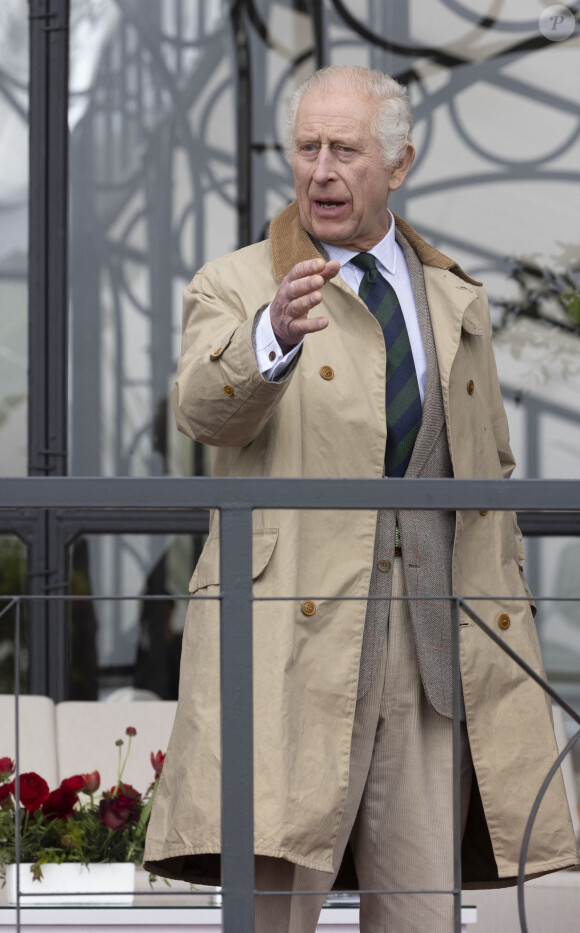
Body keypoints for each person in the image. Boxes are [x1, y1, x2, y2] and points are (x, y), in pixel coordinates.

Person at [144, 66, 576, 931]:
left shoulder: (455, 296)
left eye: (346, 149)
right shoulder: (233, 283)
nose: (321, 170)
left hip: (428, 647)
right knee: (270, 915)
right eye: (307, 148)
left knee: (419, 913)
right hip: (286, 646)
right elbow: (199, 408)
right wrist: (271, 333)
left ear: (399, 164)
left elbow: (483, 467)